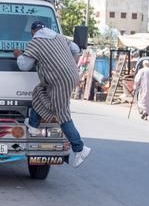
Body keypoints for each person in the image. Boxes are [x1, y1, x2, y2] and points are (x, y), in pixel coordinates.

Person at [13, 21, 92, 168]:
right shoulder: (60, 37)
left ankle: (80, 148)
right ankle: (34, 124)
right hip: (67, 76)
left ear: (32, 32)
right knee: (39, 92)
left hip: (59, 81)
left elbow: (24, 66)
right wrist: (68, 64)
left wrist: (19, 55)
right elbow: (75, 49)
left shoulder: (35, 43)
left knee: (62, 115)